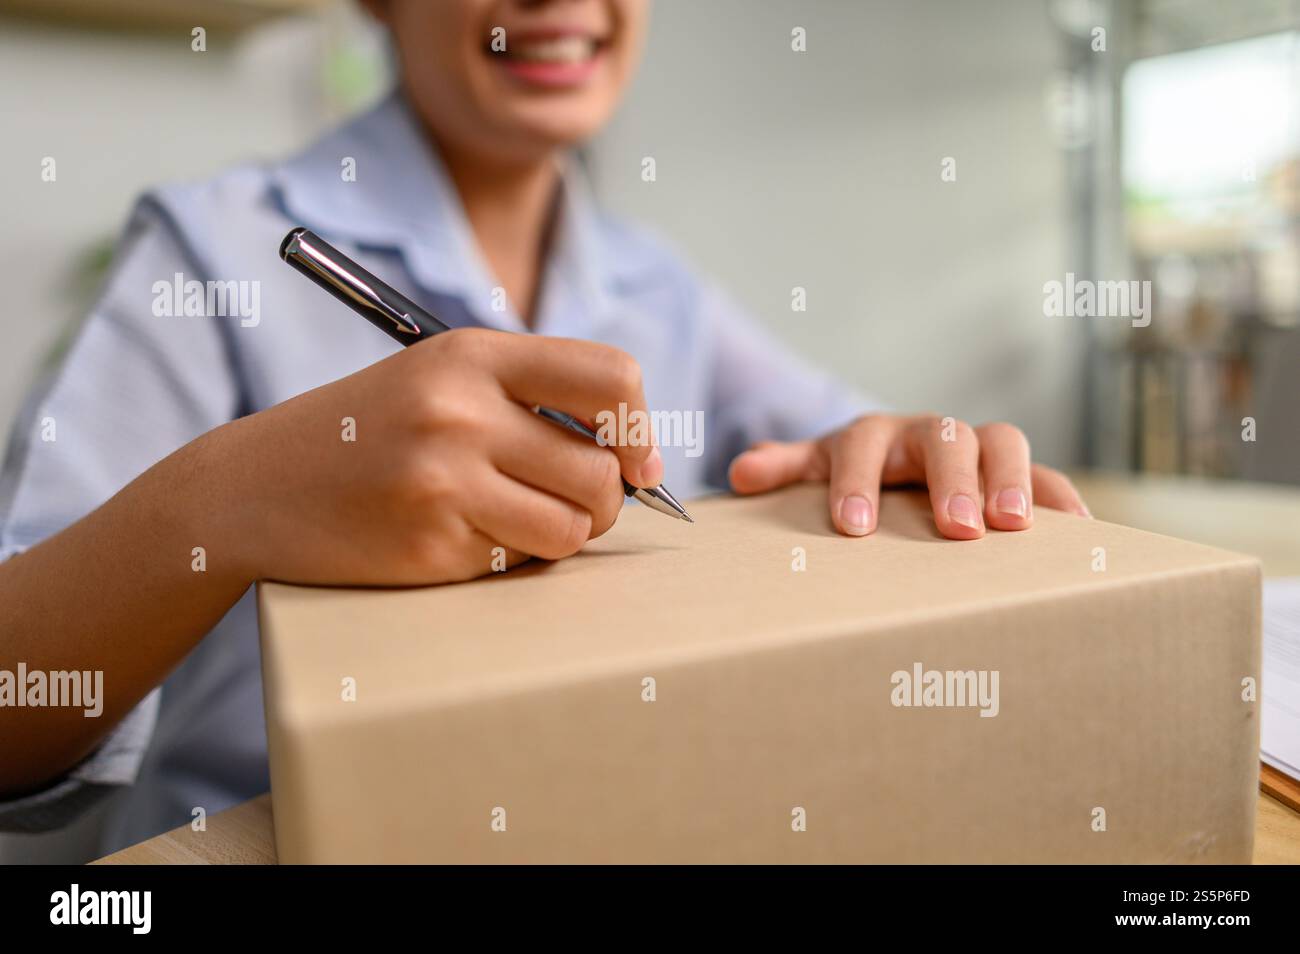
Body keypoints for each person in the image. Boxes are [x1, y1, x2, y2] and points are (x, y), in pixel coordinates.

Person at [0, 0, 1087, 853]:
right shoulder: (211, 248)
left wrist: (890, 448)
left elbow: (842, 433)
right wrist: (233, 497)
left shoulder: (658, 286)